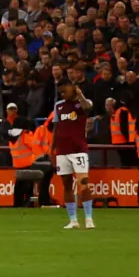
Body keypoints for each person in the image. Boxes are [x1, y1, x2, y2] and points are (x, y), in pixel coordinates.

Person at [49, 85, 94, 231]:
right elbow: (56, 128)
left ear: (73, 90)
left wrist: (80, 95)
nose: (62, 94)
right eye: (60, 92)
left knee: (83, 183)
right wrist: (52, 149)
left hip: (78, 150)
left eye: (64, 91)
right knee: (67, 185)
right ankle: (73, 220)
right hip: (62, 151)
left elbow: (88, 108)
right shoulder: (59, 106)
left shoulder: (82, 103)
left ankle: (88, 218)